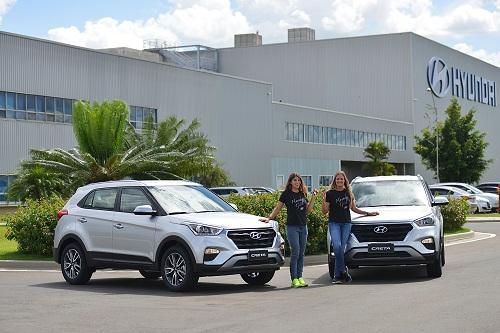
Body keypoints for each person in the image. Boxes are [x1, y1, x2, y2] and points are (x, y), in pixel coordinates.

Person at [260, 172, 319, 288]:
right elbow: (278, 207)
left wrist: (313, 198)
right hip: (292, 227)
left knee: (301, 253)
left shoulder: (302, 194)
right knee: (296, 251)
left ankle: (300, 277)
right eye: (295, 180)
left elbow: (308, 211)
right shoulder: (286, 194)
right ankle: (294, 279)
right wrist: (269, 218)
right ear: (290, 182)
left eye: (299, 181)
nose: (297, 182)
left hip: (303, 226)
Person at [322, 171, 379, 284]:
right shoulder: (330, 193)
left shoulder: (348, 193)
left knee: (342, 249)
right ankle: (343, 271)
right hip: (334, 223)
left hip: (346, 224)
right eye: (337, 179)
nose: (339, 180)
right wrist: (324, 200)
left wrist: (368, 213)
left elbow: (354, 209)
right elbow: (324, 211)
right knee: (337, 246)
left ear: (344, 181)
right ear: (335, 180)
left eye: (341, 179)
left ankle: (337, 276)